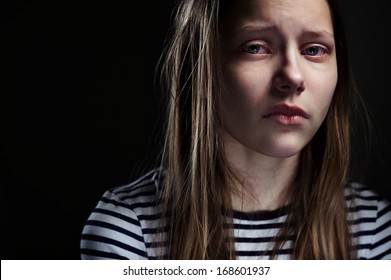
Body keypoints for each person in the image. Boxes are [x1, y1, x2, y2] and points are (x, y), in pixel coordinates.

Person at [80, 0, 391, 259]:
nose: (293, 77)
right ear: (202, 65)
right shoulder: (129, 229)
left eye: (313, 50)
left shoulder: (374, 229)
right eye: (255, 47)